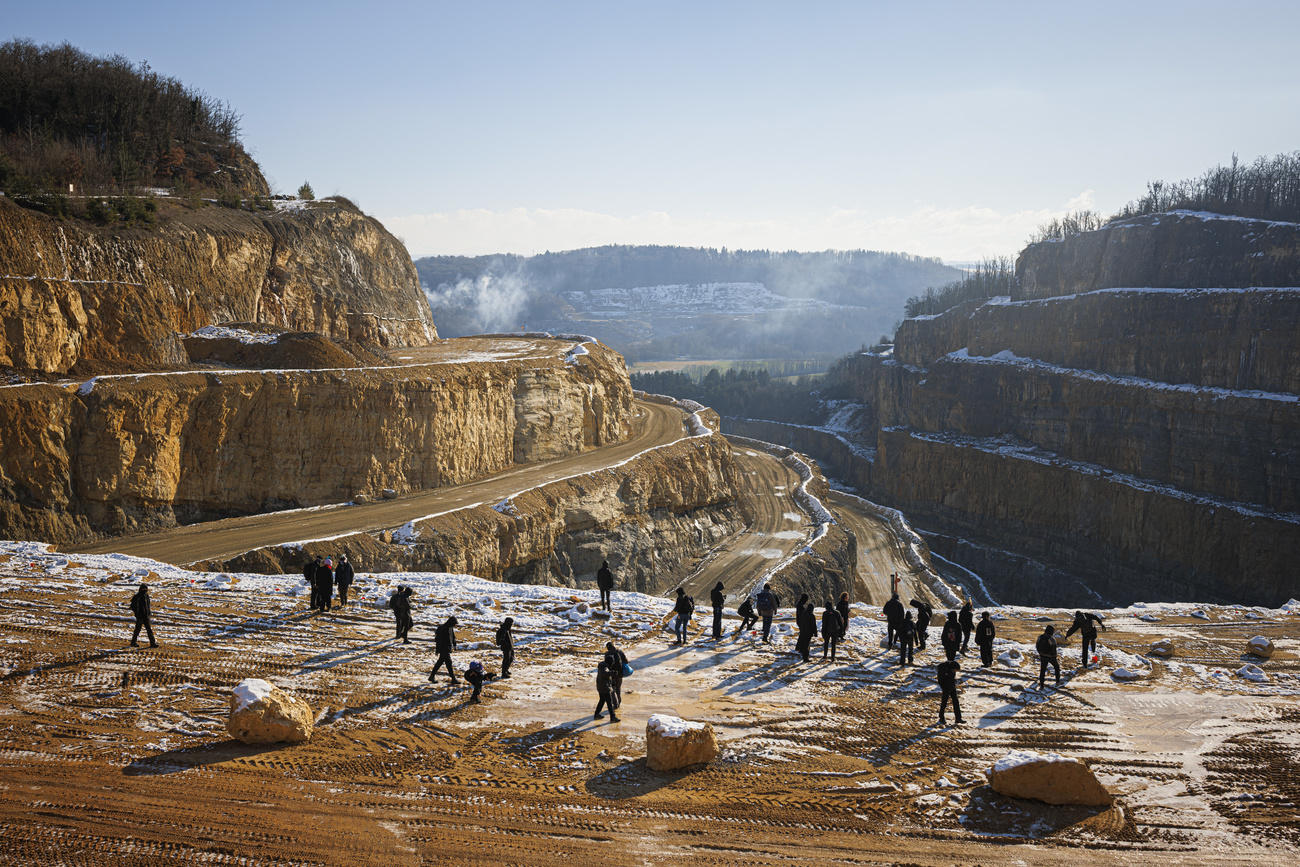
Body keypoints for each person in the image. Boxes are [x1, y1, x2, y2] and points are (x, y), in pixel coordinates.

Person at [429, 616, 459, 684]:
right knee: (449, 663)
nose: (455, 625)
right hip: (443, 649)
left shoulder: (450, 628)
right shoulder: (442, 628)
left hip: (447, 648)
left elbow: (453, 637)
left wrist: (454, 644)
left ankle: (432, 676)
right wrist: (437, 650)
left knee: (439, 663)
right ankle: (453, 678)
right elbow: (438, 640)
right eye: (454, 623)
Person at [129, 583, 157, 648]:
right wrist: (137, 614)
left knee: (149, 630)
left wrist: (149, 613)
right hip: (140, 616)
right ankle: (133, 642)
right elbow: (133, 607)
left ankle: (152, 643)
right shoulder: (137, 597)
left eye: (145, 588)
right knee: (137, 630)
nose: (144, 590)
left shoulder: (146, 596)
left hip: (146, 616)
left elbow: (148, 605)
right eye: (143, 588)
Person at [936, 659, 963, 725]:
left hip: (952, 687)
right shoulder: (943, 670)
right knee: (944, 703)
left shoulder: (951, 668)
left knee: (956, 702)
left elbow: (952, 677)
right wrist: (944, 688)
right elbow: (940, 680)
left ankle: (958, 718)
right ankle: (941, 717)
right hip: (946, 688)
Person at [604, 641, 629, 706]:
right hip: (620, 674)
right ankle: (619, 702)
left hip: (612, 674)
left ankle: (615, 704)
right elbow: (626, 661)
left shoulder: (607, 654)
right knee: (618, 688)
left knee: (613, 689)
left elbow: (606, 664)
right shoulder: (620, 652)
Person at [795, 593, 818, 662]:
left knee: (802, 637)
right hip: (807, 629)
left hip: (802, 626)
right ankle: (805, 655)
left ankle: (800, 648)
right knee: (806, 643)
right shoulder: (809, 614)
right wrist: (815, 633)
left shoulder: (802, 609)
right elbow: (813, 625)